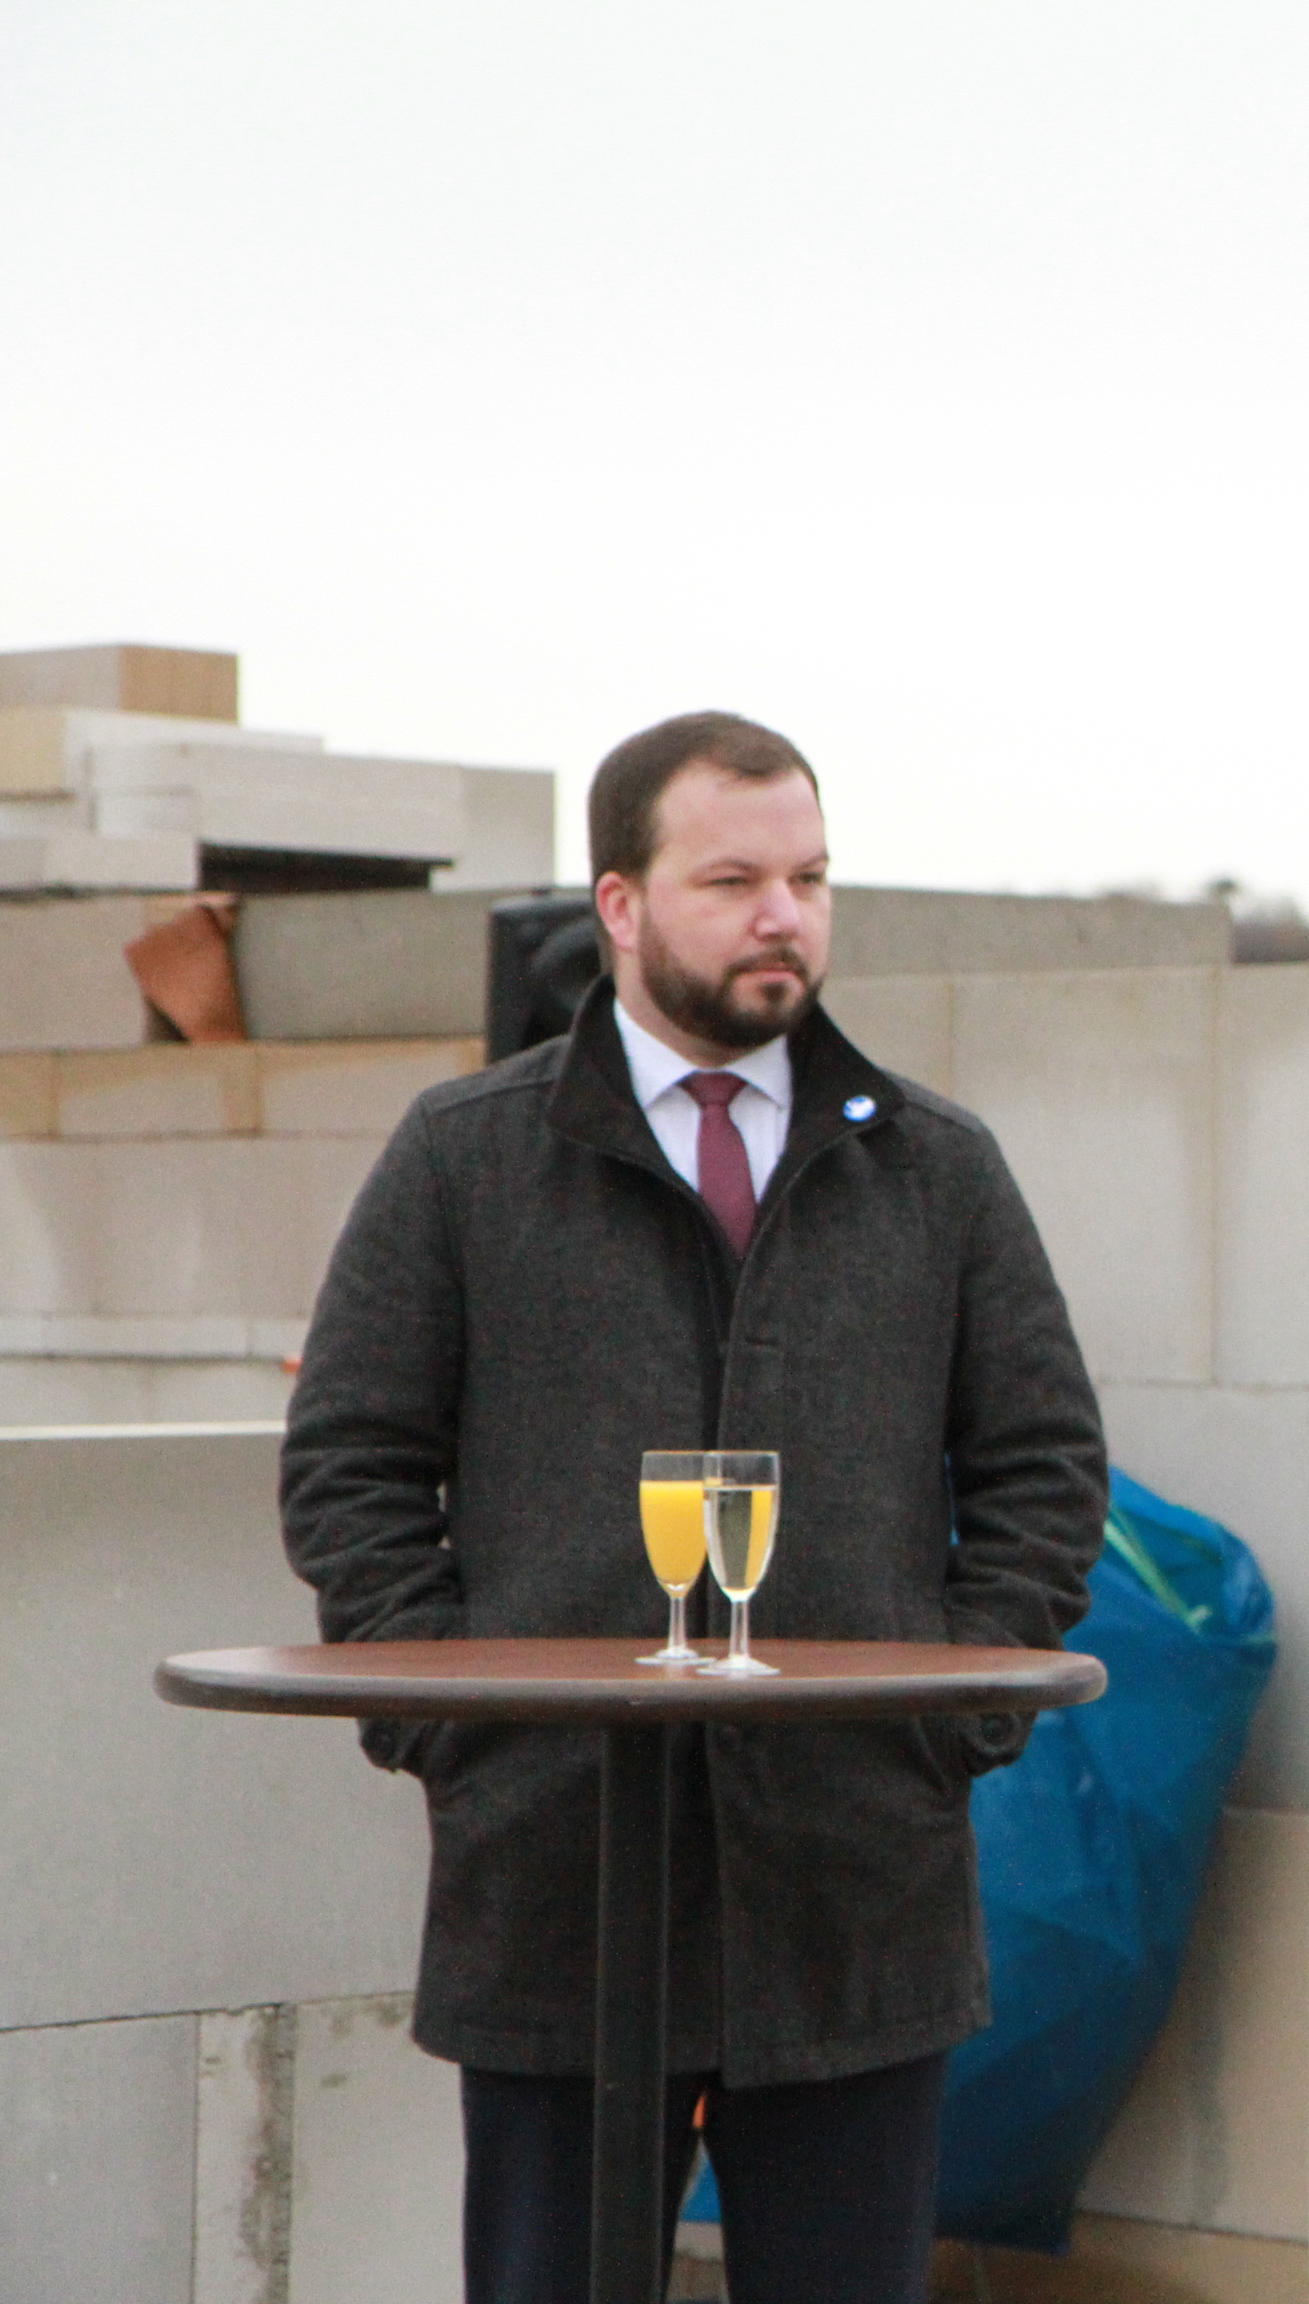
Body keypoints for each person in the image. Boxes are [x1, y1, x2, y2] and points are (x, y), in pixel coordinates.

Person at [282, 711, 1107, 2304]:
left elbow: (1044, 1473)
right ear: (620, 905)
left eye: (808, 875)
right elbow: (351, 1466)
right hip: (557, 1885)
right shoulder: (465, 1158)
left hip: (858, 1889)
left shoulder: (936, 1168)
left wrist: (943, 1722)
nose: (783, 914)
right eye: (731, 877)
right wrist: (463, 1730)